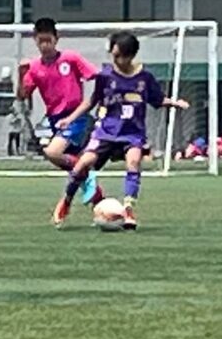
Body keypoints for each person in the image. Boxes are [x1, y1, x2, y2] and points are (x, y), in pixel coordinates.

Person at [52, 31, 189, 230]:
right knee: (83, 164)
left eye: (119, 56)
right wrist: (69, 119)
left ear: (130, 56)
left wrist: (174, 103)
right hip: (106, 131)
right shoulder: (105, 76)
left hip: (132, 133)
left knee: (133, 162)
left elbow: (157, 100)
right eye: (113, 55)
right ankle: (66, 201)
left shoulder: (145, 78)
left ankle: (129, 210)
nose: (115, 60)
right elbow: (92, 101)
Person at [17, 17, 101, 205]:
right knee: (67, 162)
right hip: (55, 120)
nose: (45, 46)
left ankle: (87, 177)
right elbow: (22, 95)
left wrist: (97, 101)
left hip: (75, 117)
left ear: (57, 39)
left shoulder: (70, 58)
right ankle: (99, 199)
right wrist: (21, 74)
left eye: (49, 40)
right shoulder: (34, 67)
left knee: (52, 152)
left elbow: (95, 75)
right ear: (35, 40)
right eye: (41, 41)